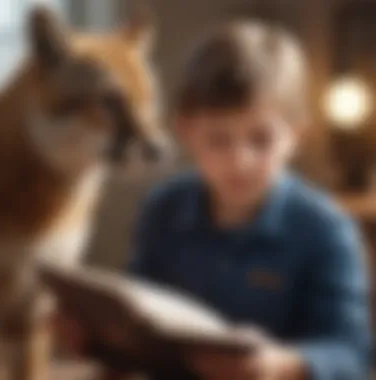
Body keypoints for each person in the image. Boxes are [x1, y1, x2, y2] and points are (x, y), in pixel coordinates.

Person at [57, 21, 371, 380]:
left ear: (295, 134)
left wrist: (281, 364)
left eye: (261, 139)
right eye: (219, 140)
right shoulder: (162, 210)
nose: (240, 160)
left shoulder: (326, 229)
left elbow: (350, 352)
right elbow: (136, 324)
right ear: (186, 130)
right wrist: (96, 340)